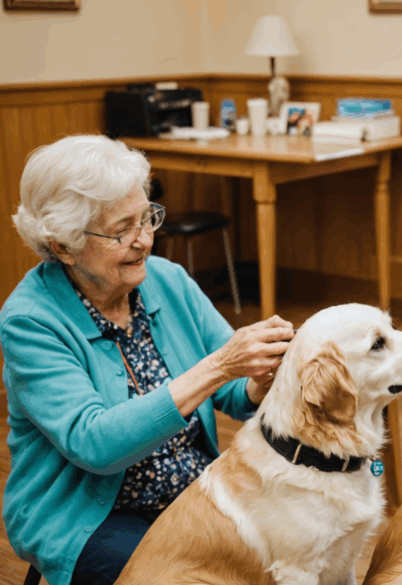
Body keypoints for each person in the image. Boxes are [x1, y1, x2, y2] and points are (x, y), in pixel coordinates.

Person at [1, 134, 296, 585]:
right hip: (86, 517)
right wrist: (218, 365)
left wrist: (264, 373)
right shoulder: (30, 321)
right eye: (122, 229)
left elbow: (237, 393)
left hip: (193, 489)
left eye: (147, 218)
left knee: (301, 546)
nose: (144, 241)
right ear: (63, 246)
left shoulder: (167, 281)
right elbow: (96, 445)